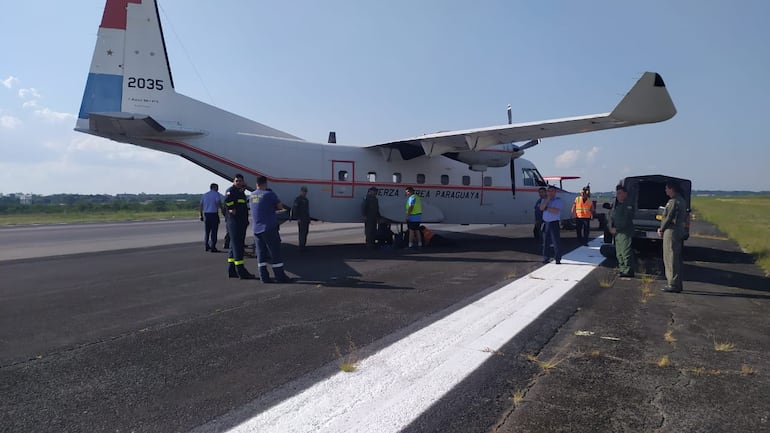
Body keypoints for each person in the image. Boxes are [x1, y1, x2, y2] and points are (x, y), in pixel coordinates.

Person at [251, 176, 290, 283]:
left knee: (261, 254)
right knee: (275, 253)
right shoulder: (269, 194)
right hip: (269, 228)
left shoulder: (252, 195)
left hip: (256, 229)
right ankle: (280, 276)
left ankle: (264, 277)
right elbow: (280, 206)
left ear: (256, 184)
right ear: (265, 183)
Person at [657, 180, 687, 292]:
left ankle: (672, 284)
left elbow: (668, 217)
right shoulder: (681, 200)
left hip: (671, 231)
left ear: (671, 189)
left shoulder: (673, 201)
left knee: (670, 257)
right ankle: (677, 283)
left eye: (666, 188)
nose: (665, 190)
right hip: (678, 230)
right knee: (676, 257)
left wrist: (661, 228)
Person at [225, 174, 255, 279]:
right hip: (235, 222)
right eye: (236, 181)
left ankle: (231, 269)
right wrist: (231, 208)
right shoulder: (231, 191)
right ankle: (241, 271)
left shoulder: (240, 192)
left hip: (241, 222)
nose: (238, 182)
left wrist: (244, 188)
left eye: (240, 181)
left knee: (233, 247)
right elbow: (228, 199)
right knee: (238, 247)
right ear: (233, 181)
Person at [609, 185, 635, 277]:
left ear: (625, 194)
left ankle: (628, 270)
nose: (618, 195)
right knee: (619, 253)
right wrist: (610, 228)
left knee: (625, 252)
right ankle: (622, 269)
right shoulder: (616, 205)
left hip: (624, 232)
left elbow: (626, 220)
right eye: (617, 193)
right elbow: (610, 217)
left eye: (620, 193)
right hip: (617, 232)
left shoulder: (628, 205)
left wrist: (617, 228)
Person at [539, 185, 563, 264]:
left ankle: (557, 258)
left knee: (556, 242)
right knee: (546, 242)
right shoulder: (544, 200)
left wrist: (547, 208)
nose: (550, 193)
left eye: (552, 191)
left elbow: (556, 210)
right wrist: (547, 200)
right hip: (546, 223)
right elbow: (541, 208)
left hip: (554, 223)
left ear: (555, 192)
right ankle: (546, 258)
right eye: (548, 191)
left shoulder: (558, 200)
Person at [199, 183, 224, 252]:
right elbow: (218, 203)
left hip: (206, 214)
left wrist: (200, 214)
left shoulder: (205, 195)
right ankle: (213, 247)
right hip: (214, 214)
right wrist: (222, 210)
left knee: (207, 232)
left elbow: (201, 205)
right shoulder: (216, 194)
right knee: (214, 232)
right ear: (215, 187)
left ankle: (206, 245)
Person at [291, 186, 311, 251]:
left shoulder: (306, 200)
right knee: (302, 233)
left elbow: (307, 211)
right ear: (301, 191)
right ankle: (301, 247)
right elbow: (295, 209)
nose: (304, 193)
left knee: (305, 233)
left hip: (306, 219)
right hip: (301, 219)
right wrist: (298, 218)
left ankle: (303, 245)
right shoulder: (298, 199)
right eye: (303, 191)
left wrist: (309, 219)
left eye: (305, 191)